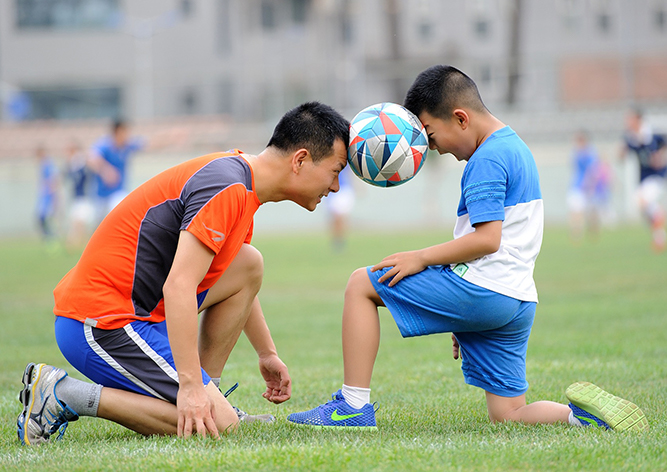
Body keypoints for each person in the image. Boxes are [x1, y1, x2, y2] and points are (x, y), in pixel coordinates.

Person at [287, 66, 648, 432]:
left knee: (360, 285)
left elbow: (487, 240)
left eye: (429, 133)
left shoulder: (486, 159)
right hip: (516, 299)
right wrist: (463, 316)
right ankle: (581, 418)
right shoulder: (515, 147)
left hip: (483, 290)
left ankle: (351, 406)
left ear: (460, 118)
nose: (430, 147)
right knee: (508, 414)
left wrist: (421, 258)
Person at [17, 102, 350, 445]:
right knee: (217, 426)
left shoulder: (242, 185)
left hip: (137, 316)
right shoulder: (228, 187)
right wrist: (191, 388)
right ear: (300, 160)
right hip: (100, 322)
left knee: (248, 262)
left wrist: (267, 353)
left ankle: (212, 396)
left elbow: (233, 277)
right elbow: (179, 286)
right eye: (336, 170)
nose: (336, 186)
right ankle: (62, 394)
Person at [620, 108, 667, 252]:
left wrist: (661, 157)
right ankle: (658, 234)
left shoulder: (652, 135)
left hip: (657, 176)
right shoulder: (631, 138)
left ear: (638, 120)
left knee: (644, 202)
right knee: (643, 208)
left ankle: (659, 228)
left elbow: (663, 146)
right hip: (643, 179)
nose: (628, 122)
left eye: (630, 119)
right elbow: (623, 153)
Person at [88, 119, 145, 223]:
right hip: (101, 194)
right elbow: (91, 159)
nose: (127, 135)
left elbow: (147, 144)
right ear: (118, 131)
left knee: (121, 210)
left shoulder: (127, 145)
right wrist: (106, 170)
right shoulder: (105, 145)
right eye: (125, 131)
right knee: (98, 225)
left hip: (118, 192)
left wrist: (170, 138)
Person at [567, 130, 609, 241]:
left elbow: (593, 171)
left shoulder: (590, 153)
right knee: (576, 211)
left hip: (589, 188)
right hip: (577, 186)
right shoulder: (576, 152)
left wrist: (591, 186)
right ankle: (577, 235)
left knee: (592, 213)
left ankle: (593, 233)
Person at [64, 141, 95, 249]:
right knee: (78, 223)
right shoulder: (72, 166)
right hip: (78, 197)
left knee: (79, 223)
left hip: (83, 198)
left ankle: (76, 243)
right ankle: (78, 244)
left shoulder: (81, 164)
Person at [325, 165, 355, 252]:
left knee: (341, 217)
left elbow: (351, 173)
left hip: (343, 189)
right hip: (332, 191)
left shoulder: (346, 161)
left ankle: (340, 240)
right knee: (334, 218)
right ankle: (337, 240)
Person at [35, 145, 60, 242]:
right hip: (44, 196)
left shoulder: (48, 165)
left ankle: (51, 237)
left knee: (45, 218)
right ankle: (49, 237)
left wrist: (54, 197)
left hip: (48, 197)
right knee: (42, 218)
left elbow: (54, 180)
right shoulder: (43, 165)